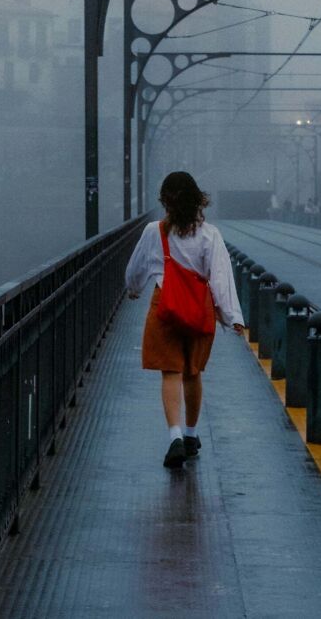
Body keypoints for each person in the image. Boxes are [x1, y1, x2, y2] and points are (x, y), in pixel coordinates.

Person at [125, 171, 244, 469]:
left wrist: (134, 289)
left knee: (170, 372)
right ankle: (191, 435)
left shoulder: (155, 231)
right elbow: (219, 276)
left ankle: (175, 436)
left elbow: (136, 267)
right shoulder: (210, 234)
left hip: (164, 306)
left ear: (165, 201)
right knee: (193, 372)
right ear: (197, 200)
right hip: (198, 308)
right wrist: (231, 316)